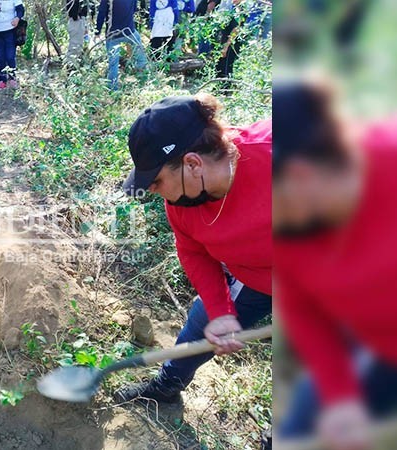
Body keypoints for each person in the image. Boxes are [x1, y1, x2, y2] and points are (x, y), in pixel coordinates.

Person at [115, 94, 272, 405]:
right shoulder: (182, 203)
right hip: (257, 276)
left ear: (192, 164)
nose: (152, 191)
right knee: (204, 321)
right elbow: (193, 251)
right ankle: (167, 385)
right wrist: (221, 311)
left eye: (157, 181)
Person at [273, 81, 397, 450]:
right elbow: (303, 310)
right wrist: (340, 396)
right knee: (298, 430)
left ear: (299, 176)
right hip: (373, 347)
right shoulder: (293, 227)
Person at [95, 0, 148, 90]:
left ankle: (113, 89)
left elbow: (102, 12)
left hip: (112, 34)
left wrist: (98, 31)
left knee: (113, 64)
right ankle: (144, 81)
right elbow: (134, 9)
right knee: (140, 57)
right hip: (129, 31)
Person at [0, 0, 24, 89]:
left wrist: (17, 18)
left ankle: (12, 79)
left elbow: (20, 9)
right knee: (0, 57)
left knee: (10, 56)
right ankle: (2, 80)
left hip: (10, 30)